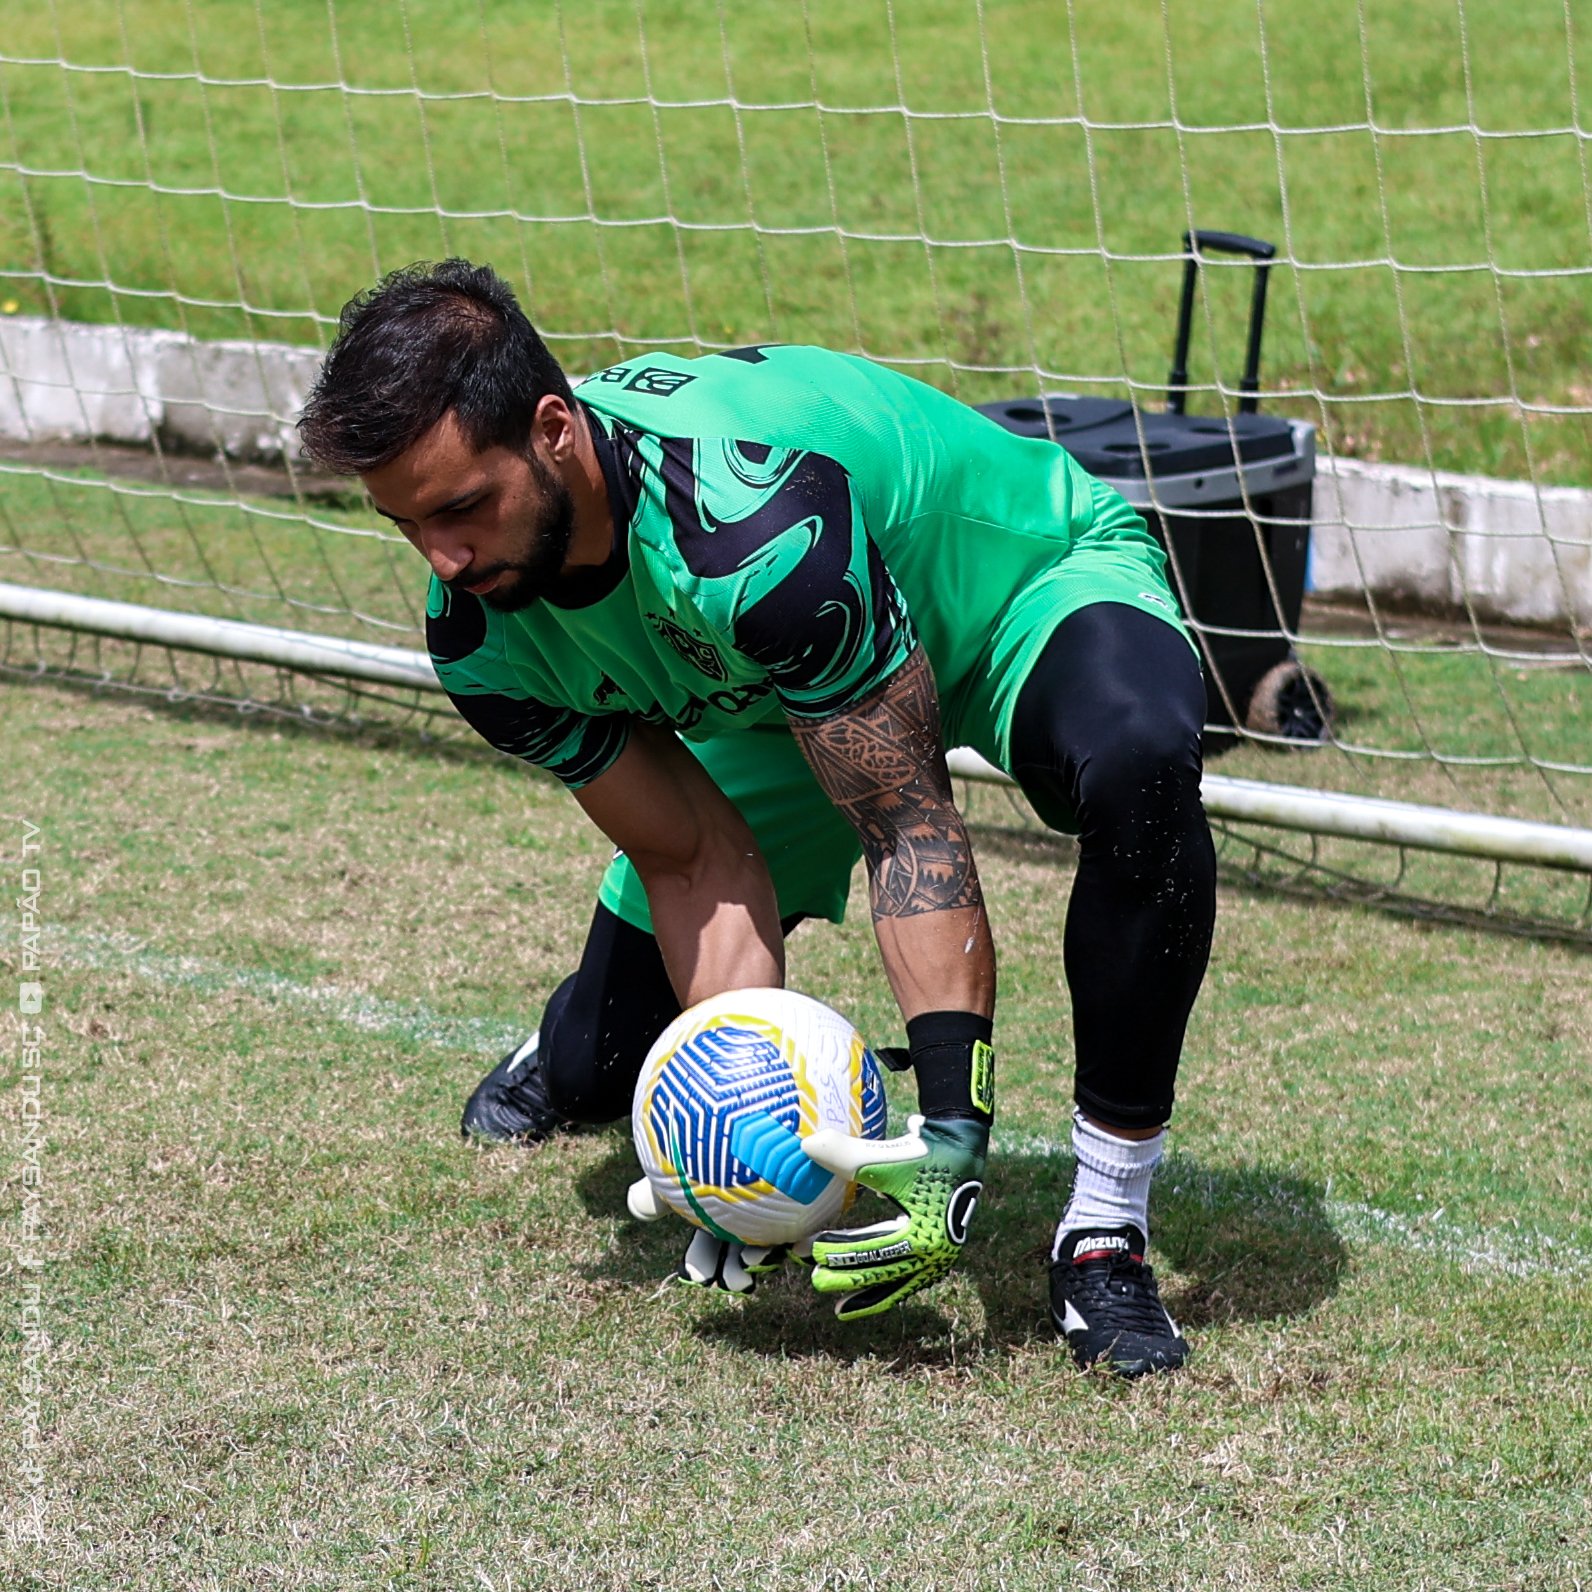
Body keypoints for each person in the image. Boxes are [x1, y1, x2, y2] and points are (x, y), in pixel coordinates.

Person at [297, 259, 1216, 1377]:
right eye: (407, 525)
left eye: (461, 508)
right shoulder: (479, 637)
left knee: (1139, 767)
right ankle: (575, 1041)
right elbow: (688, 857)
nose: (440, 559)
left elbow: (903, 822)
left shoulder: (750, 530)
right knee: (610, 1062)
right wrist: (741, 1148)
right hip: (784, 693)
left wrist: (951, 1128)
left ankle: (1103, 1226)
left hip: (1013, 587)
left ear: (551, 430)